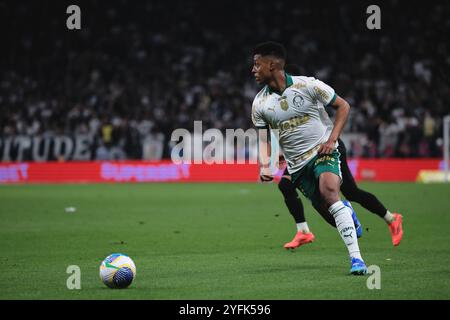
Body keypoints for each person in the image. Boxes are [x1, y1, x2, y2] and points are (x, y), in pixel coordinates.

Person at [251, 41, 367, 274]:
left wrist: (332, 139)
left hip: (322, 151)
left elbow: (343, 106)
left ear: (272, 65)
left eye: (257, 64)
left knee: (330, 193)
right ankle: (347, 213)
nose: (253, 70)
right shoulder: (259, 104)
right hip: (297, 167)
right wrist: (265, 165)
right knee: (329, 213)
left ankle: (357, 261)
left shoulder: (308, 85)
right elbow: (264, 138)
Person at [278, 64, 404, 250]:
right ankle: (303, 231)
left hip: (327, 147)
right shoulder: (277, 99)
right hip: (303, 154)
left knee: (351, 192)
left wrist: (331, 139)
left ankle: (392, 219)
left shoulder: (304, 89)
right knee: (286, 185)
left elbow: (338, 108)